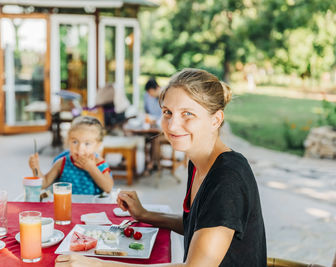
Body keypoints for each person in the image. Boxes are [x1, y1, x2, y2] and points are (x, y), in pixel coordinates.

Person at [63, 68, 267, 266]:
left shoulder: (227, 177)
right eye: (167, 112)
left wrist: (97, 265)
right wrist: (144, 214)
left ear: (216, 120)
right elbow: (196, 224)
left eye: (187, 114)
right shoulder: (198, 163)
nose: (172, 125)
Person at [28, 116, 113, 195]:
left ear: (97, 145)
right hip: (66, 206)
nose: (80, 148)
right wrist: (36, 168)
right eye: (75, 142)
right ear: (69, 141)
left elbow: (108, 188)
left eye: (87, 143)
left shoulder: (100, 164)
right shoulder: (62, 163)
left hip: (92, 208)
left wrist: (91, 168)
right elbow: (44, 184)